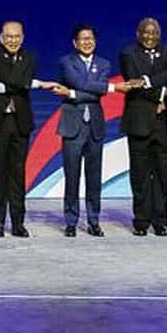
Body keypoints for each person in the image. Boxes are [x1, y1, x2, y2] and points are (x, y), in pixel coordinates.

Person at [118, 17, 167, 236]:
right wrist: (163, 92)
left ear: (159, 34)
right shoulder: (128, 54)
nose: (149, 37)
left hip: (165, 123)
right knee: (140, 174)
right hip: (139, 123)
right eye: (145, 32)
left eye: (154, 33)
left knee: (163, 174)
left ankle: (160, 221)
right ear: (138, 34)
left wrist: (145, 81)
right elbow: (132, 83)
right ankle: (141, 221)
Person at [51, 23, 112, 237]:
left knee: (94, 177)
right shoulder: (66, 62)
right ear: (75, 43)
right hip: (72, 125)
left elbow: (94, 93)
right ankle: (71, 221)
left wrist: (73, 94)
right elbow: (78, 81)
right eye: (83, 39)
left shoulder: (104, 64)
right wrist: (102, 88)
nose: (87, 42)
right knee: (72, 175)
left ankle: (94, 220)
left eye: (90, 38)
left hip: (94, 125)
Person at [0, 20, 36, 238]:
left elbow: (15, 80)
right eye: (8, 36)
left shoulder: (30, 57)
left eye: (17, 37)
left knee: (18, 173)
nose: (12, 40)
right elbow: (14, 79)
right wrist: (21, 82)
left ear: (22, 38)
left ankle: (17, 222)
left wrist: (7, 85)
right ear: (1, 38)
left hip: (21, 121)